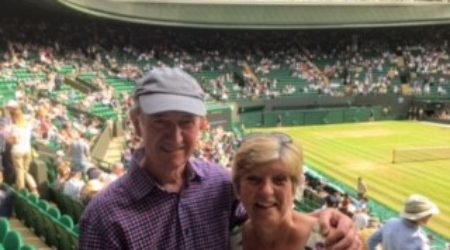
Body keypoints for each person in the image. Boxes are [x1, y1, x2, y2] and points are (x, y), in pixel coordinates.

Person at [80, 67, 361, 250]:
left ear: (201, 126)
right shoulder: (105, 216)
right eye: (160, 122)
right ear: (136, 122)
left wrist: (329, 220)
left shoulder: (220, 185)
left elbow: (269, 216)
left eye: (186, 123)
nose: (175, 137)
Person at [230, 133, 325, 250]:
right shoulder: (231, 242)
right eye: (254, 179)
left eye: (279, 180)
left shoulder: (332, 241)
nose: (266, 191)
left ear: (294, 187)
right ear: (238, 187)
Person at [368, 194, 439, 250]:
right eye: (429, 215)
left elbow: (372, 241)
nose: (430, 216)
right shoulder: (420, 240)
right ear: (422, 217)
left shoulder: (390, 223)